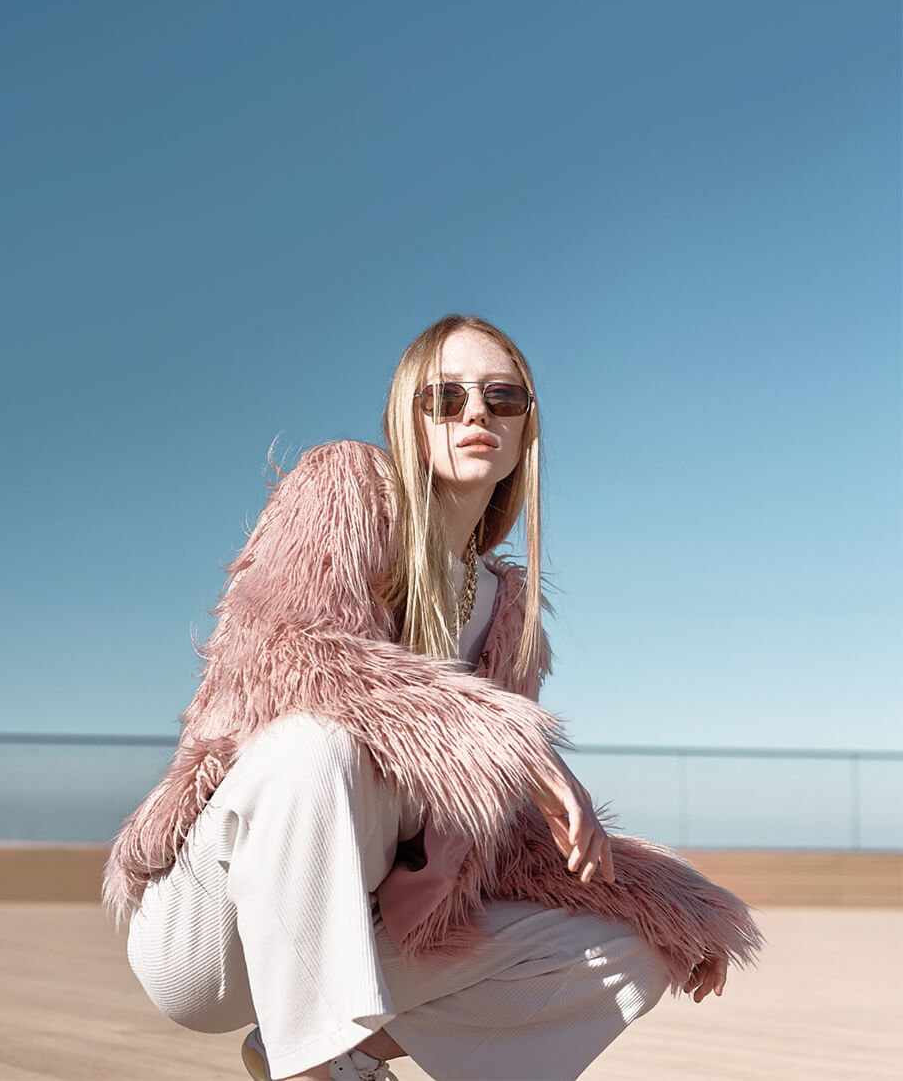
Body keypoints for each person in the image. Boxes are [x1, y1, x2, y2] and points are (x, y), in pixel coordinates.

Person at [106, 314, 761, 1081]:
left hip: (357, 935)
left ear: (525, 427)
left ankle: (343, 1054)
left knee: (631, 950)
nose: (476, 412)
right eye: (446, 397)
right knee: (314, 743)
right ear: (407, 418)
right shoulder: (345, 489)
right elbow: (285, 655)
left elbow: (490, 841)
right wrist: (509, 743)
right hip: (210, 933)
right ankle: (309, 1070)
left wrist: (668, 902)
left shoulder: (507, 612)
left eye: (502, 397)